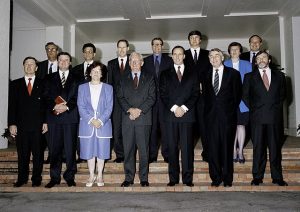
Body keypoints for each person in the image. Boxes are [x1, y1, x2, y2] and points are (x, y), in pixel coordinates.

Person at [243, 51, 288, 186]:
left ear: (269, 60)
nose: (261, 60)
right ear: (255, 62)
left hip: (274, 118)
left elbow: (283, 96)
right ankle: (257, 176)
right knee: (259, 148)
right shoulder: (249, 77)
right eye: (258, 58)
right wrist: (255, 109)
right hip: (257, 118)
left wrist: (274, 108)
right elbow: (245, 96)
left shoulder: (280, 76)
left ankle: (277, 177)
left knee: (275, 148)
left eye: (264, 57)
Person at [160, 46, 199, 187]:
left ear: (184, 56)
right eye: (174, 54)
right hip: (170, 116)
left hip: (187, 116)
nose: (177, 56)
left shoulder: (193, 73)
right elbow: (163, 93)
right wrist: (175, 108)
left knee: (187, 148)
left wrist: (183, 108)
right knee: (172, 148)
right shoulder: (164, 74)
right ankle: (173, 179)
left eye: (180, 54)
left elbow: (196, 93)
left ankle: (188, 179)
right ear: (172, 56)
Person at [203, 48, 242, 187]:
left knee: (226, 148)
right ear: (209, 59)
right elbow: (205, 97)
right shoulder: (205, 75)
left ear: (222, 57)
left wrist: (229, 111)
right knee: (213, 149)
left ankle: (227, 179)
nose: (214, 59)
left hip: (227, 118)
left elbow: (237, 96)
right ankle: (216, 178)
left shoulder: (233, 74)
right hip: (210, 118)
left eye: (217, 56)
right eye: (211, 56)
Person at [116, 52, 156, 187]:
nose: (134, 63)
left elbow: (152, 97)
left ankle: (144, 178)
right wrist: (130, 110)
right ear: (129, 63)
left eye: (137, 61)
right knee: (128, 150)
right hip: (127, 119)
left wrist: (139, 110)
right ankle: (128, 178)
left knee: (144, 150)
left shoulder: (150, 78)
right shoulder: (122, 79)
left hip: (143, 119)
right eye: (132, 61)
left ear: (142, 63)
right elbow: (120, 97)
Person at [8, 56, 48, 187]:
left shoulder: (43, 83)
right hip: (21, 126)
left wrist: (46, 122)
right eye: (26, 64)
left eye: (32, 64)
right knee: (23, 154)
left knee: (38, 154)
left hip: (38, 125)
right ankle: (22, 179)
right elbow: (12, 106)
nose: (29, 66)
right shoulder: (15, 84)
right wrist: (12, 124)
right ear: (23, 66)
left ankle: (36, 179)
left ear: (36, 68)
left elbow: (46, 105)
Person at [43, 52, 79, 188]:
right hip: (54, 118)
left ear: (70, 62)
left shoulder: (77, 78)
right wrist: (55, 105)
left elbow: (77, 97)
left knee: (70, 150)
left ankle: (70, 176)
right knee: (54, 149)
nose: (63, 62)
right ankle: (54, 177)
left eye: (66, 60)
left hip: (70, 118)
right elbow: (45, 96)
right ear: (57, 62)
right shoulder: (48, 78)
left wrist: (67, 107)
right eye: (61, 60)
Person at [77, 61, 113, 187]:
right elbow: (80, 106)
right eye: (93, 71)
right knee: (89, 151)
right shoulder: (82, 88)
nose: (96, 73)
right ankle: (91, 175)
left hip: (103, 125)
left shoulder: (108, 88)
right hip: (87, 125)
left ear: (102, 73)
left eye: (98, 71)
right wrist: (91, 120)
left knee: (102, 152)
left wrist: (100, 120)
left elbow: (109, 107)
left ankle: (100, 175)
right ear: (89, 73)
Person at [143, 37, 173, 163]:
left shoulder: (169, 60)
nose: (157, 47)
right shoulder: (145, 61)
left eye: (160, 45)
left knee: (165, 127)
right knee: (152, 128)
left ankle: (166, 154)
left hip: (165, 100)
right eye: (155, 44)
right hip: (150, 100)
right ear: (151, 46)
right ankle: (152, 155)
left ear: (162, 46)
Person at [184, 30, 210, 162]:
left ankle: (207, 153)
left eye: (196, 38)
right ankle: (188, 155)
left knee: (204, 126)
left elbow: (211, 74)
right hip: (187, 97)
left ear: (200, 40)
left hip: (203, 97)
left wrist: (203, 85)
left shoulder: (208, 54)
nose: (194, 40)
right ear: (189, 40)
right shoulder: (183, 54)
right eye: (192, 38)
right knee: (189, 127)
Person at [224, 42, 252, 164]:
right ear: (229, 52)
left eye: (236, 49)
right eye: (232, 50)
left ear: (240, 52)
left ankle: (240, 151)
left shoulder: (247, 64)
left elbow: (251, 83)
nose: (234, 51)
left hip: (243, 101)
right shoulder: (225, 64)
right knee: (231, 126)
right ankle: (233, 151)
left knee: (241, 125)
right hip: (228, 101)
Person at [72, 42, 97, 163]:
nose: (88, 53)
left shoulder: (100, 68)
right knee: (80, 130)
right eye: (85, 51)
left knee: (96, 129)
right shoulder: (75, 69)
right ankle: (81, 154)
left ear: (94, 54)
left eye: (90, 51)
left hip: (96, 105)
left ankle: (95, 154)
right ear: (83, 54)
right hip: (80, 105)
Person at [107, 39, 130, 163]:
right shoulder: (111, 64)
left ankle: (129, 152)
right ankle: (120, 154)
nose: (121, 50)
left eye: (124, 47)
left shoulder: (133, 62)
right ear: (117, 49)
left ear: (127, 48)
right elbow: (109, 85)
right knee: (116, 129)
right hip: (115, 103)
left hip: (130, 103)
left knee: (129, 129)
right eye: (119, 47)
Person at [37, 42, 59, 164]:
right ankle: (49, 154)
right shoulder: (39, 66)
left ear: (57, 51)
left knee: (57, 130)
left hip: (59, 103)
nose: (50, 51)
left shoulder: (63, 64)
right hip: (43, 104)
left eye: (53, 49)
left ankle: (55, 154)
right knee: (45, 130)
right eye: (48, 49)